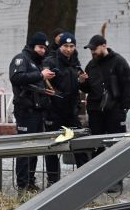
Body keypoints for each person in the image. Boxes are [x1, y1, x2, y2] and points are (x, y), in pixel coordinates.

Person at [80, 34, 130, 192]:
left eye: (94, 49)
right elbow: (88, 89)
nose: (92, 52)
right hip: (96, 111)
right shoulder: (91, 65)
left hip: (115, 111)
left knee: (115, 146)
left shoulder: (118, 61)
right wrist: (82, 83)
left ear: (104, 46)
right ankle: (99, 180)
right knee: (97, 146)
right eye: (90, 49)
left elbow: (129, 84)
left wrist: (124, 108)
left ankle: (116, 181)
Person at [9, 32, 56, 194]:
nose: (43, 50)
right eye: (40, 47)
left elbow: (33, 86)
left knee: (34, 149)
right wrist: (40, 75)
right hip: (25, 112)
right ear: (32, 46)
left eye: (45, 48)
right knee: (25, 149)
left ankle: (30, 182)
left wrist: (46, 92)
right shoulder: (21, 59)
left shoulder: (37, 63)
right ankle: (22, 185)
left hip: (37, 112)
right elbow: (16, 78)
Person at [42, 32, 89, 186]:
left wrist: (82, 81)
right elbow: (43, 78)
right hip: (54, 112)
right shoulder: (51, 61)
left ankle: (83, 178)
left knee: (80, 144)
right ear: (60, 46)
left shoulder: (75, 63)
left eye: (71, 46)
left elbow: (80, 84)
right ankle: (53, 181)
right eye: (65, 46)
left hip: (71, 111)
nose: (69, 49)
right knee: (53, 148)